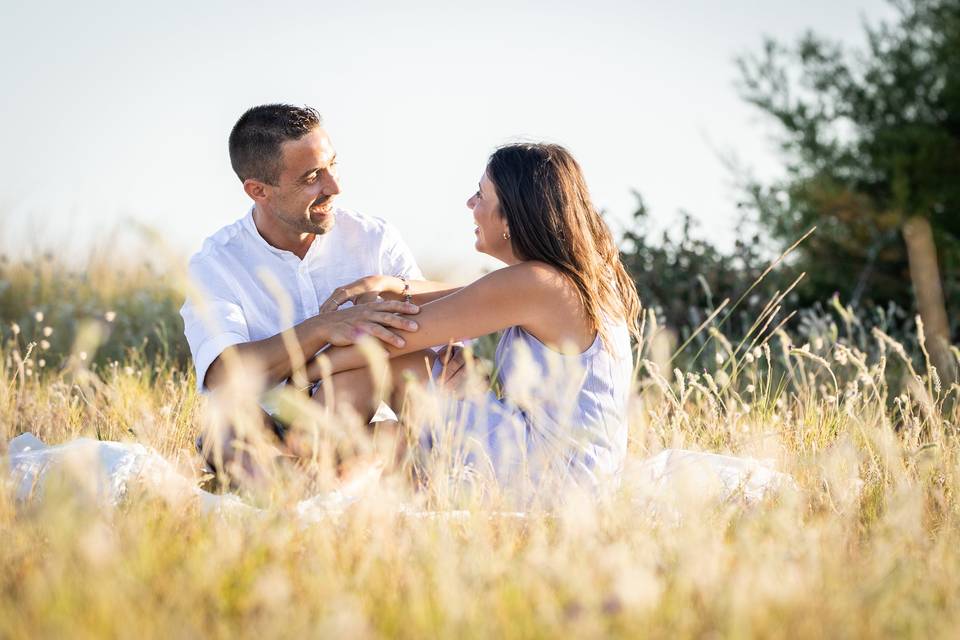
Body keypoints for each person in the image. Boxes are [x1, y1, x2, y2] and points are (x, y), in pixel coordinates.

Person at [306, 143, 642, 496]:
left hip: (548, 476)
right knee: (386, 433)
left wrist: (300, 372)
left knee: (398, 361)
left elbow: (397, 336)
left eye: (480, 195)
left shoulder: (536, 283)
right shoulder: (565, 280)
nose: (470, 204)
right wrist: (392, 284)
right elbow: (469, 295)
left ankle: (296, 452)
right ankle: (309, 468)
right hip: (574, 475)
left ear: (512, 216)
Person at [180, 104, 454, 478]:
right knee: (225, 422)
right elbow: (224, 375)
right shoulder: (216, 263)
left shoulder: (374, 239)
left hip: (361, 422)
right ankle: (301, 492)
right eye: (312, 177)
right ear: (258, 190)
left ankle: (318, 484)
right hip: (265, 427)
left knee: (392, 380)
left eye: (333, 166)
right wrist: (321, 328)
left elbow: (438, 337)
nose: (334, 187)